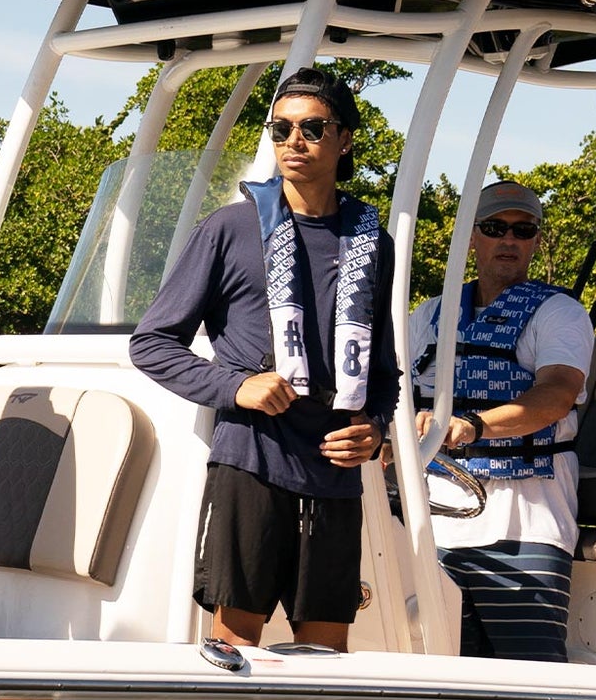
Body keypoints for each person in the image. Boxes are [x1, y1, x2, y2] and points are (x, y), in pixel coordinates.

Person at [131, 67, 399, 652]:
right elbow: (151, 343)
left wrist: (374, 430)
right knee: (234, 646)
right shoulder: (230, 228)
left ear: (345, 138)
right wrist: (236, 387)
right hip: (250, 462)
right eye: (280, 130)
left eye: (311, 128)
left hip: (334, 474)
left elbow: (384, 373)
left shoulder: (372, 241)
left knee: (327, 655)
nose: (293, 142)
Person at [407, 182, 593, 662]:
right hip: (434, 521)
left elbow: (557, 393)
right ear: (473, 237)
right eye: (495, 228)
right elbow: (392, 392)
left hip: (527, 521)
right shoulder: (430, 315)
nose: (509, 240)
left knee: (530, 673)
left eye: (523, 229)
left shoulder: (560, 312)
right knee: (438, 669)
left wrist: (472, 425)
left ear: (535, 240)